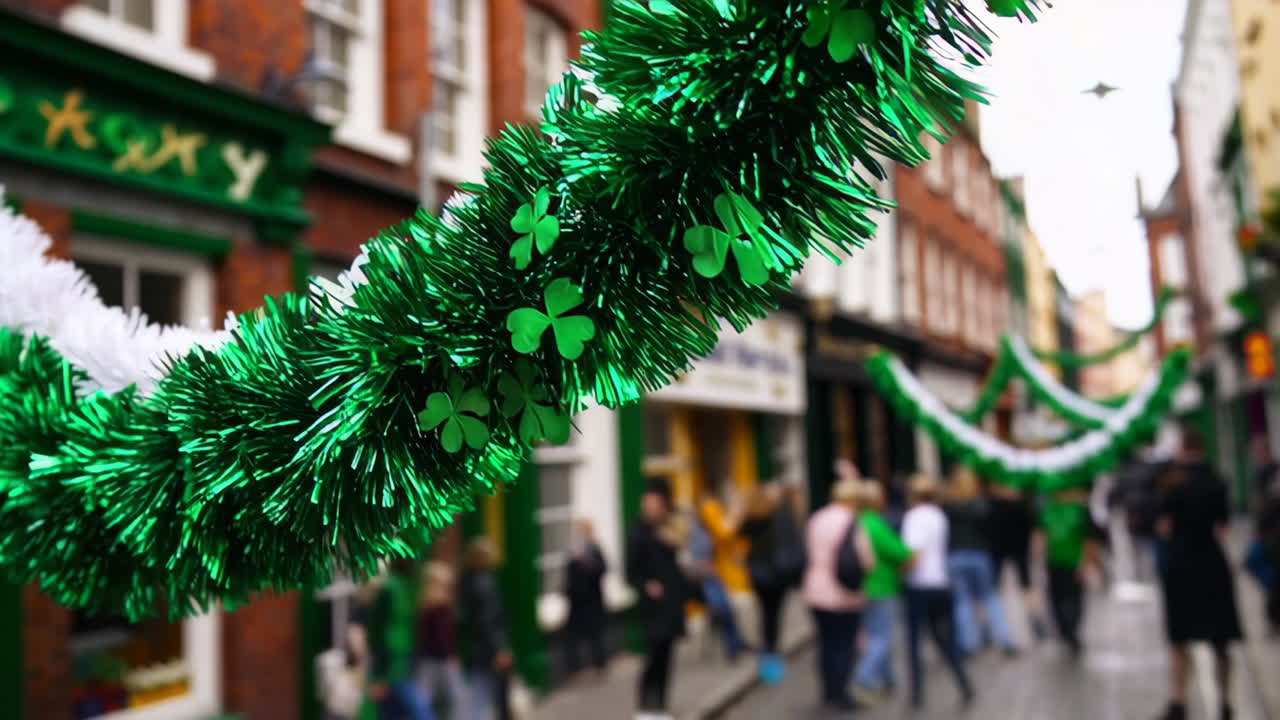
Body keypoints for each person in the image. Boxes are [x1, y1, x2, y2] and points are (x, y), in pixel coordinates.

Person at [1156, 426, 1243, 720]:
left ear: (1182, 448)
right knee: (1221, 641)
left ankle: (1178, 702)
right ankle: (1225, 703)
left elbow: (1164, 526)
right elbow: (1223, 528)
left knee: (1179, 638)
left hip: (1181, 564)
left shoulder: (1172, 483)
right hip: (1211, 564)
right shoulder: (1218, 480)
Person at [901, 474, 973, 709]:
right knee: (945, 637)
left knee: (914, 641)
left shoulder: (914, 517)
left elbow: (914, 553)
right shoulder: (939, 515)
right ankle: (963, 681)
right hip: (941, 582)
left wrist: (900, 570)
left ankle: (917, 693)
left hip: (920, 584)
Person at [802, 477, 869, 713]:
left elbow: (808, 551)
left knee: (826, 642)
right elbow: (866, 559)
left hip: (816, 589)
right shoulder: (853, 522)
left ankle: (828, 691)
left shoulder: (817, 518)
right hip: (843, 593)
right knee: (844, 645)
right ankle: (841, 693)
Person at [626, 480, 688, 720]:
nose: (652, 508)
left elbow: (681, 557)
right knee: (652, 656)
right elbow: (630, 573)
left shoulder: (670, 529)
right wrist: (647, 585)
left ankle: (661, 706)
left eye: (656, 504)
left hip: (672, 605)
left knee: (667, 657)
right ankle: (643, 706)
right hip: (652, 609)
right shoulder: (637, 533)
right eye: (648, 504)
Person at [944, 467, 1016, 656]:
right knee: (990, 597)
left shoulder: (948, 507)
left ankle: (969, 642)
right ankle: (1004, 638)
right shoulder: (982, 505)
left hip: (956, 555)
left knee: (963, 600)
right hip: (979, 555)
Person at [853, 479, 912, 704]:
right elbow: (900, 552)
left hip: (862, 586)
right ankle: (865, 676)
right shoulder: (875, 524)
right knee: (882, 637)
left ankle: (888, 679)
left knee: (874, 634)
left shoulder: (857, 522)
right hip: (882, 586)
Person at [741, 482, 805, 685]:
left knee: (766, 615)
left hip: (760, 572)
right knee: (774, 616)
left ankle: (768, 656)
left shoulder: (753, 516)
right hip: (777, 573)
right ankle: (771, 657)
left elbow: (739, 533)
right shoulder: (781, 514)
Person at [366, 560, 435, 720]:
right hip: (402, 655)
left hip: (394, 656)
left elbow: (379, 630)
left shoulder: (392, 588)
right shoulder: (409, 588)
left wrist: (379, 675)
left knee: (397, 705)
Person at [1038, 488, 1100, 659]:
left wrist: (1086, 562)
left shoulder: (1079, 511)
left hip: (1072, 561)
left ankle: (1070, 630)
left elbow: (1089, 538)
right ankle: (1066, 629)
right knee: (1060, 598)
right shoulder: (1049, 510)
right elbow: (1042, 535)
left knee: (1072, 598)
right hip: (1056, 561)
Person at [459, 539, 513, 720]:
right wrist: (500, 649)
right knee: (496, 697)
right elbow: (488, 621)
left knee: (479, 695)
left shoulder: (467, 580)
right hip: (489, 648)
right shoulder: (484, 583)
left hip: (475, 647)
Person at [986, 480, 1046, 640]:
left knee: (994, 589)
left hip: (1000, 551)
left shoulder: (993, 506)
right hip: (1018, 550)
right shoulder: (1023, 506)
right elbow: (1035, 530)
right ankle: (1035, 621)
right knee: (1026, 586)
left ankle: (992, 626)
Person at [690, 499, 747, 661]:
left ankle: (734, 644)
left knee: (725, 611)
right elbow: (699, 555)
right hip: (708, 578)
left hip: (716, 577)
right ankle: (732, 646)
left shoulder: (708, 529)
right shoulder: (699, 532)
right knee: (722, 610)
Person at [415, 562, 467, 718]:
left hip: (426, 657)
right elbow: (442, 635)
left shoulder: (423, 603)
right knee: (458, 698)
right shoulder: (442, 606)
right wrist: (451, 656)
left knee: (422, 698)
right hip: (443, 658)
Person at [564, 519, 609, 677]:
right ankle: (574, 669)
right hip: (576, 601)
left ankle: (600, 665)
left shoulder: (595, 549)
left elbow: (603, 569)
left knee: (595, 635)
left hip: (592, 600)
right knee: (572, 636)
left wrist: (586, 563)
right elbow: (569, 575)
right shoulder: (572, 551)